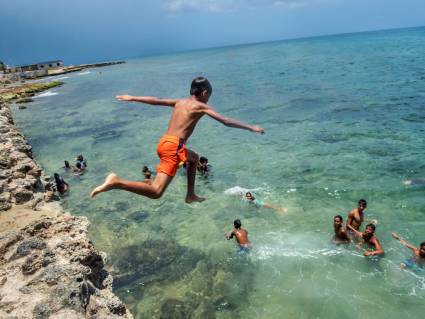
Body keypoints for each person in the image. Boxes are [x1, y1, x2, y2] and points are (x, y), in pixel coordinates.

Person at [90, 77, 264, 203]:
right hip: (173, 148)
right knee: (156, 192)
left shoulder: (180, 102)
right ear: (204, 93)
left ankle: (190, 194)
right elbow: (225, 121)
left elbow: (156, 101)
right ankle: (116, 182)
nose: (209, 98)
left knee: (194, 158)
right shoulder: (201, 106)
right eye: (209, 95)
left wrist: (133, 97)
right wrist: (251, 127)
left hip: (165, 143)